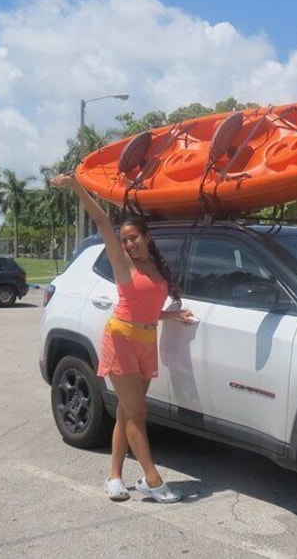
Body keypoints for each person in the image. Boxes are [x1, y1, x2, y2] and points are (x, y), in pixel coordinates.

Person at [51, 173, 194, 503]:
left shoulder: (157, 268)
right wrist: (76, 187)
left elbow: (146, 308)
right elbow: (101, 219)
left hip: (146, 343)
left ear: (146, 237)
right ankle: (153, 479)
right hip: (120, 341)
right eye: (125, 239)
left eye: (134, 238)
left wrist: (172, 314)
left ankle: (115, 476)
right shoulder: (121, 262)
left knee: (129, 413)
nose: (129, 243)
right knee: (139, 413)